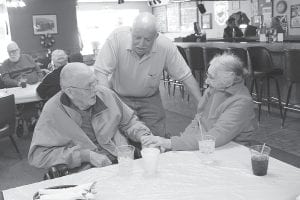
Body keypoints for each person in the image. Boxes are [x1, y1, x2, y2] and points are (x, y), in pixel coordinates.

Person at [94, 12, 202, 137]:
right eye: (137, 37)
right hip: (119, 96)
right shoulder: (117, 38)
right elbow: (100, 72)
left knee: (157, 138)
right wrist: (110, 105)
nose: (141, 44)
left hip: (150, 98)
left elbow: (186, 76)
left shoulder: (165, 46)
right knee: (121, 139)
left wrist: (202, 105)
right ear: (131, 32)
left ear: (156, 37)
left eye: (147, 40)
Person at [28, 62, 153, 169]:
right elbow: (38, 156)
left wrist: (143, 136)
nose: (96, 89)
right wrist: (84, 156)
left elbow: (130, 122)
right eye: (89, 86)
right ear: (70, 92)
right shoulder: (52, 111)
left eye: (95, 83)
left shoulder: (105, 94)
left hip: (121, 161)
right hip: (85, 170)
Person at [142, 53, 256, 150]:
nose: (206, 81)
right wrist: (181, 141)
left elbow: (216, 137)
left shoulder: (242, 102)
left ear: (230, 77)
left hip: (230, 149)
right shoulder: (215, 88)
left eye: (211, 77)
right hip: (206, 145)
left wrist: (170, 143)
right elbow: (198, 120)